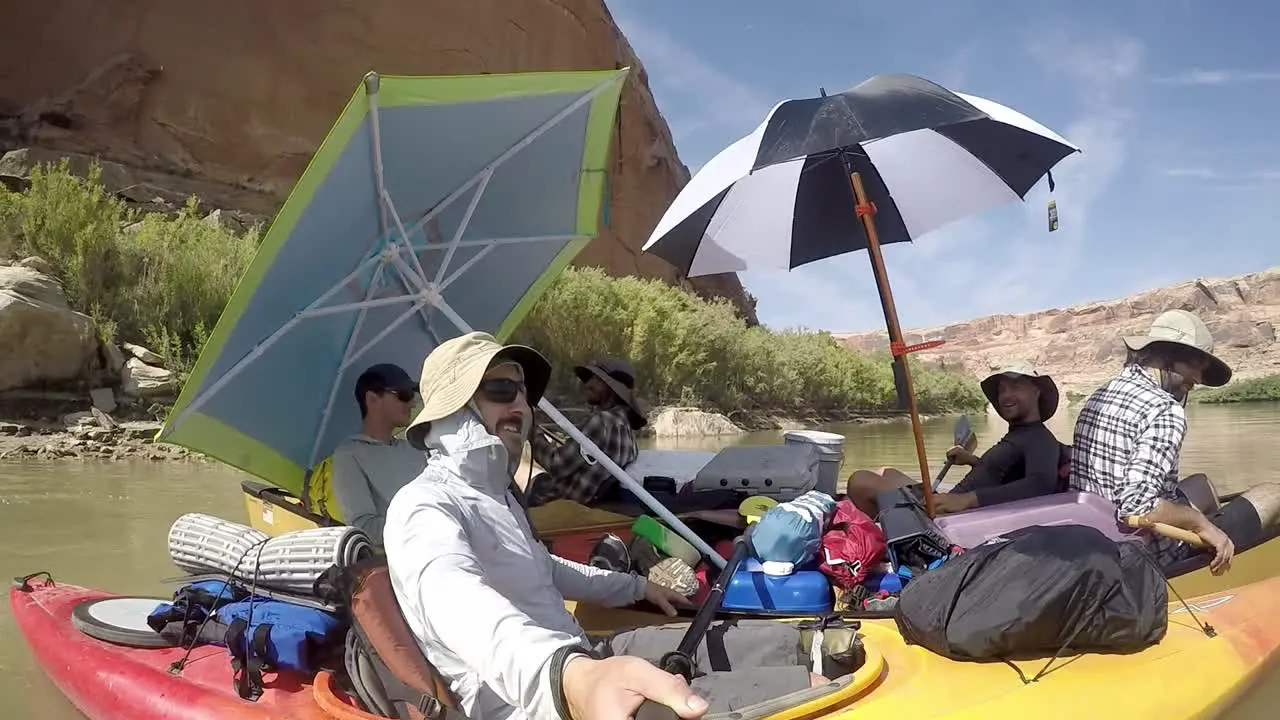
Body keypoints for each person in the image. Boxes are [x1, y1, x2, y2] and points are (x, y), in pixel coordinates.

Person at [383, 332, 823, 720]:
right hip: (537, 701)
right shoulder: (423, 507)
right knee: (813, 692)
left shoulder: (498, 499)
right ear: (456, 411)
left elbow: (548, 570)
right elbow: (462, 607)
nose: (520, 404)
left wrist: (636, 588)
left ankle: (817, 652)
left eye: (523, 392)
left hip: (583, 656)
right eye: (501, 389)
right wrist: (571, 676)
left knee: (787, 644)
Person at [1070, 309, 1280, 575]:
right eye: (1198, 366)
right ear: (1171, 356)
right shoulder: (1165, 410)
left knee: (1201, 483)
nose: (1198, 380)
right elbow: (1137, 505)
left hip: (1099, 542)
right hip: (1147, 555)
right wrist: (1202, 525)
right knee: (1274, 493)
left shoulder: (1100, 395)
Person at [845, 361, 1065, 517]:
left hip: (948, 519)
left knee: (860, 482)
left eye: (1015, 387)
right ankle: (892, 523)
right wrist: (971, 460)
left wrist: (967, 500)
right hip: (947, 503)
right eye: (1002, 389)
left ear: (1036, 392)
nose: (1006, 395)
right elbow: (1007, 473)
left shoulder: (1040, 438)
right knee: (886, 471)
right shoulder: (1020, 434)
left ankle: (891, 544)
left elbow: (1040, 485)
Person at [525, 357, 647, 507]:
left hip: (559, 506)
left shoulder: (601, 422)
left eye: (597, 380)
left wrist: (531, 430)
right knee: (538, 480)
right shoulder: (628, 432)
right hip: (584, 504)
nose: (588, 384)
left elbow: (556, 464)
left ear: (613, 388)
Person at [329, 363, 428, 544]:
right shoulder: (349, 454)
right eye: (404, 395)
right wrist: (427, 528)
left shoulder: (416, 449)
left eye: (413, 395)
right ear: (373, 399)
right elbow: (364, 526)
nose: (413, 403)